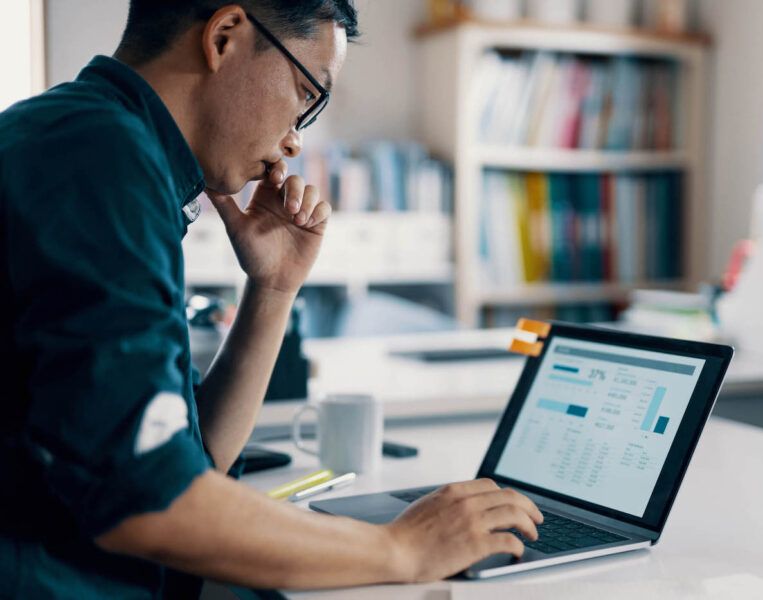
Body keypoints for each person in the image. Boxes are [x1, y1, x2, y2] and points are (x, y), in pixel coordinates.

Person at [0, 1, 543, 597]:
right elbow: (150, 501)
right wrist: (402, 547)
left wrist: (274, 288)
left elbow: (188, 461)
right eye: (308, 95)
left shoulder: (100, 144)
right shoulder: (98, 160)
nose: (292, 142)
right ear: (225, 36)